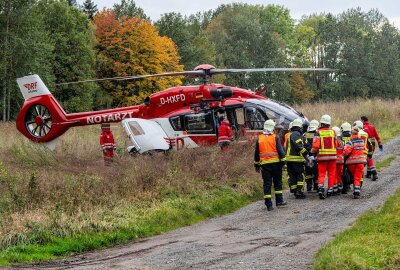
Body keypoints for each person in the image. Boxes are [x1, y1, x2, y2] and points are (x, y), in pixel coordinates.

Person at [254, 119, 287, 211]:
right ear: (272, 128)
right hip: (276, 164)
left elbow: (256, 153)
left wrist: (256, 164)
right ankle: (279, 201)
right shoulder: (275, 137)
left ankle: (269, 204)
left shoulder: (259, 138)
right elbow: (280, 151)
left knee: (267, 184)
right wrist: (284, 162)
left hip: (264, 165)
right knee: (277, 182)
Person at [311, 114, 337, 199]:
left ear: (321, 123)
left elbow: (316, 146)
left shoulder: (318, 132)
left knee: (321, 174)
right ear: (329, 123)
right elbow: (336, 144)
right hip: (332, 157)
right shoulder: (333, 132)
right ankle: (330, 190)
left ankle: (321, 189)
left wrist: (312, 153)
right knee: (331, 174)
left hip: (322, 157)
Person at [285, 118, 309, 199]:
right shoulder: (296, 134)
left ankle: (295, 190)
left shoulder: (293, 134)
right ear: (300, 127)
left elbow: (306, 145)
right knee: (300, 176)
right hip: (297, 160)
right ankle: (299, 192)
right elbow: (299, 146)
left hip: (290, 160)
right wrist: (306, 153)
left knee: (293, 176)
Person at [343, 126, 367, 199]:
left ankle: (355, 190)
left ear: (351, 134)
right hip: (361, 163)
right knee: (358, 177)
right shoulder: (362, 141)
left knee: (354, 177)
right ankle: (357, 191)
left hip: (352, 163)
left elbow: (346, 152)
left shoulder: (350, 142)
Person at [361, 116, 382, 180]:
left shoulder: (363, 128)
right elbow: (377, 136)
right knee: (369, 158)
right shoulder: (372, 127)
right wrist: (380, 144)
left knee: (368, 158)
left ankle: (374, 173)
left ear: (363, 121)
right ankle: (369, 173)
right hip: (373, 145)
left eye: (361, 120)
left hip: (367, 145)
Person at [304, 119, 319, 192]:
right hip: (315, 156)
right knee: (316, 172)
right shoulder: (317, 134)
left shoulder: (305, 134)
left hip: (307, 156)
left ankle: (309, 186)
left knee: (308, 172)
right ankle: (316, 186)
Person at [332, 126, 344, 194]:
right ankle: (340, 188)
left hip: (334, 160)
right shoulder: (342, 142)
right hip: (341, 160)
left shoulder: (334, 141)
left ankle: (335, 188)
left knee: (334, 174)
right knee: (339, 175)